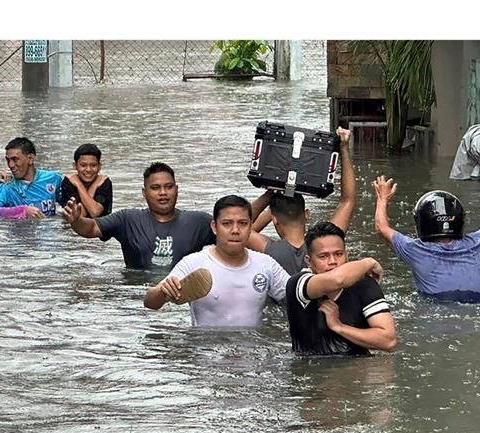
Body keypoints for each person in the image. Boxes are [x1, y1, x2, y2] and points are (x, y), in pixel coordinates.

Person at [144, 195, 289, 327]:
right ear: (214, 227)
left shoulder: (265, 264)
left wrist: (306, 279)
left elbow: (296, 295)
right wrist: (162, 292)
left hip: (252, 351)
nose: (235, 230)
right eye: (227, 223)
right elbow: (151, 303)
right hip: (206, 351)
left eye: (242, 223)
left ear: (250, 226)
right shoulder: (193, 263)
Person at [373, 167, 480, 303]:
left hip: (438, 305)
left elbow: (381, 228)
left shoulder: (415, 250)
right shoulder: (475, 245)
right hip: (478, 302)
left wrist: (382, 199)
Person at [62, 162, 215, 269]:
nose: (163, 193)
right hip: (136, 297)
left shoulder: (199, 222)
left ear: (176, 189)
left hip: (181, 296)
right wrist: (76, 221)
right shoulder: (128, 219)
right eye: (155, 188)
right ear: (144, 192)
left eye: (168, 187)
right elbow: (91, 228)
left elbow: (233, 242)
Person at [247, 127, 355, 275]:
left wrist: (271, 192)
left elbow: (241, 225)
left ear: (274, 220)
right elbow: (347, 201)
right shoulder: (325, 245)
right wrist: (343, 148)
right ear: (306, 214)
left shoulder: (269, 250)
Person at [286, 221, 397, 356]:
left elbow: (389, 341)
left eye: (338, 254)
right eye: (323, 256)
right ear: (309, 261)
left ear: (347, 255)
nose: (332, 261)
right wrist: (368, 262)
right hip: (311, 370)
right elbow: (337, 280)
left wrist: (339, 327)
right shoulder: (299, 283)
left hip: (358, 369)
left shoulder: (365, 285)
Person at [0, 137, 62, 219]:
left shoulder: (53, 178)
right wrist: (23, 211)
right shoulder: (6, 185)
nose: (10, 165)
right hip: (20, 230)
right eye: (8, 160)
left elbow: (67, 204)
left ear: (30, 159)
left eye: (15, 159)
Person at [57, 143, 112, 218]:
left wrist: (81, 185)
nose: (88, 170)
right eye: (83, 165)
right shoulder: (69, 182)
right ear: (75, 166)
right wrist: (80, 184)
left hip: (101, 227)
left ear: (99, 166)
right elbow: (78, 216)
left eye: (93, 165)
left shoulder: (104, 182)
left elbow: (95, 212)